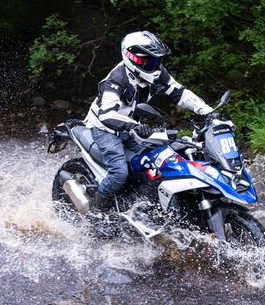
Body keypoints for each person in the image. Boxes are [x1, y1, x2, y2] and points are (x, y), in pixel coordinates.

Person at [84, 31, 216, 207]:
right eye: (149, 61)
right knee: (119, 173)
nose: (154, 65)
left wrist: (208, 112)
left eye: (156, 61)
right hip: (106, 130)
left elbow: (179, 92)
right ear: (132, 58)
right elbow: (106, 114)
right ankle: (97, 212)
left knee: (157, 162)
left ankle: (144, 204)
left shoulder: (156, 72)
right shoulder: (116, 80)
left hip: (131, 127)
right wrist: (133, 127)